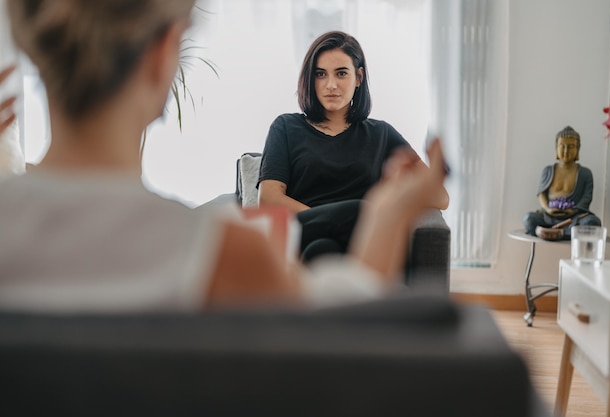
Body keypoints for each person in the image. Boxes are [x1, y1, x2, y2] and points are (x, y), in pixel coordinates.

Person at [0, 0, 447, 312]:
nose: (331, 83)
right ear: (164, 54)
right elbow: (332, 333)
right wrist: (388, 215)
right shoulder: (217, 253)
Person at [258, 31, 449, 262]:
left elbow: (440, 197)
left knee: (321, 250)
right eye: (320, 74)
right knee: (361, 212)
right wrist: (333, 219)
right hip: (302, 232)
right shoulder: (286, 127)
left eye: (341, 74)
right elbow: (268, 198)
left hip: (354, 247)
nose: (330, 85)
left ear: (358, 77)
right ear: (310, 79)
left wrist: (400, 192)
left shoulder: (381, 134)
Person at [522, 125, 601, 239]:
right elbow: (541, 194)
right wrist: (548, 209)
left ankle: (550, 233)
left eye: (570, 147)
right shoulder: (548, 171)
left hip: (573, 218)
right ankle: (564, 233)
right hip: (548, 216)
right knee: (528, 219)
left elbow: (586, 199)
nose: (565, 151)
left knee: (592, 222)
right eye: (562, 146)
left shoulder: (585, 173)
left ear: (578, 149)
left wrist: (572, 211)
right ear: (556, 148)